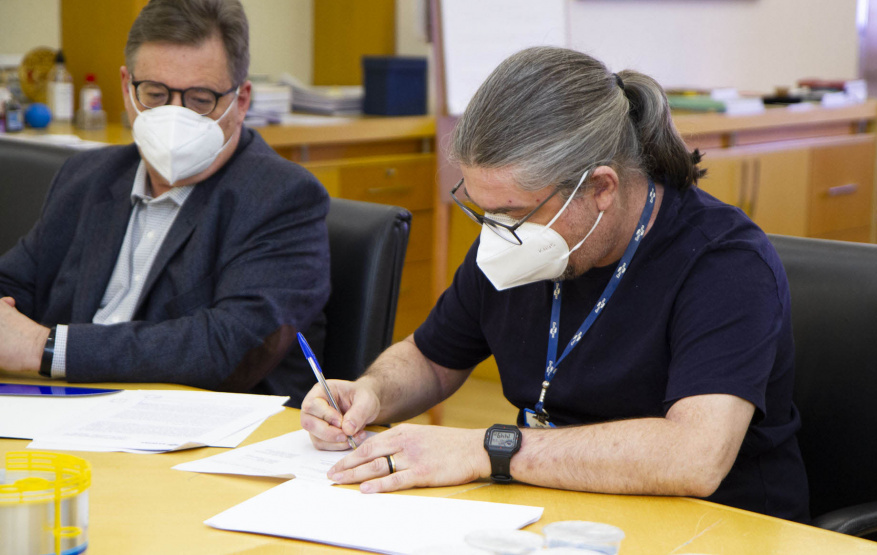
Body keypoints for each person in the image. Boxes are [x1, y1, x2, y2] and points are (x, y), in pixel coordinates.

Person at [301, 46, 809, 522]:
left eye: (512, 212)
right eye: (483, 208)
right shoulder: (518, 244)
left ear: (600, 187)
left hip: (714, 527)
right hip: (556, 508)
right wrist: (369, 392)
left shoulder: (726, 264)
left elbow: (693, 458)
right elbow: (432, 360)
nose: (496, 231)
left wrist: (488, 448)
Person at [0, 0, 330, 407]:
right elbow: (15, 285)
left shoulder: (283, 198)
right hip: (63, 413)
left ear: (241, 100)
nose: (175, 116)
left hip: (202, 438)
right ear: (126, 87)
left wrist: (45, 347)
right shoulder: (85, 176)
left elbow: (227, 345)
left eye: (200, 99)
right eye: (155, 94)